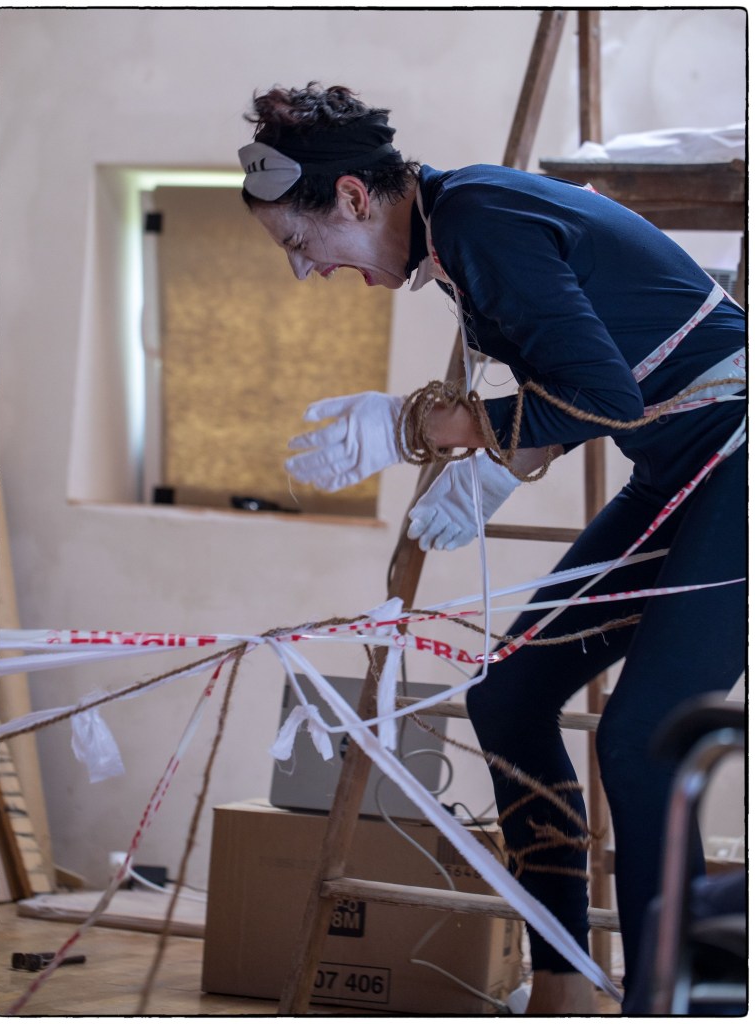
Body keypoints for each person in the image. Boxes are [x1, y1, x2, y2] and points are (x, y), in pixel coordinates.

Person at [239, 82, 746, 1012]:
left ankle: (667, 1001)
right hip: (685, 468)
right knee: (507, 698)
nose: (306, 272)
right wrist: (502, 463)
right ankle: (563, 980)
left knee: (641, 740)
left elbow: (606, 397)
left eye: (300, 244)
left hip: (734, 463)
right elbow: (582, 383)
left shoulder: (478, 220)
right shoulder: (458, 235)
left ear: (352, 197)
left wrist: (423, 427)